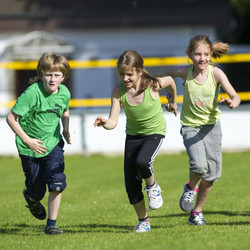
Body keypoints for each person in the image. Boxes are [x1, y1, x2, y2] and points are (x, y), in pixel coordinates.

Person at [94, 50, 177, 233]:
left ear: (140, 71)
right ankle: (144, 221)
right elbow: (113, 121)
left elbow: (170, 81)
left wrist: (172, 101)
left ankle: (153, 186)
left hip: (154, 133)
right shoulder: (118, 91)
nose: (125, 78)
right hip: (133, 136)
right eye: (122, 74)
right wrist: (105, 123)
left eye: (129, 74)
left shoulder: (153, 85)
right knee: (131, 184)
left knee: (143, 161)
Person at [166, 35, 241, 226]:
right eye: (198, 54)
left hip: (212, 127)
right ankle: (190, 187)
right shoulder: (184, 72)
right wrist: (171, 99)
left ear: (210, 55)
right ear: (189, 55)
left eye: (206, 54)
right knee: (199, 166)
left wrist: (232, 102)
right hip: (191, 127)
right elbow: (164, 78)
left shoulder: (216, 73)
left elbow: (235, 95)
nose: (202, 58)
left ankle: (196, 213)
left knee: (212, 175)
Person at [6, 52, 71, 235]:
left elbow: (65, 111)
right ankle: (32, 197)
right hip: (29, 148)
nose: (52, 79)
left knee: (57, 183)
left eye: (57, 75)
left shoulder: (64, 92)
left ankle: (51, 225)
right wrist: (28, 141)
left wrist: (66, 129)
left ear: (63, 76)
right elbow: (11, 118)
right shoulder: (32, 93)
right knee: (37, 189)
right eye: (48, 74)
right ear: (41, 73)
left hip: (53, 144)